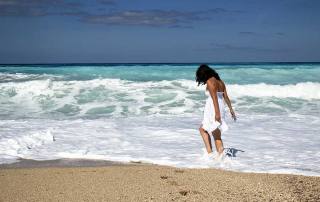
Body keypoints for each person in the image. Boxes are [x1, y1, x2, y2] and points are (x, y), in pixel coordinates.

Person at [196, 64, 236, 160]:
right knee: (212, 132)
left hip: (214, 109)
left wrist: (217, 114)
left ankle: (213, 156)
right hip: (219, 108)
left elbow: (214, 98)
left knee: (208, 132)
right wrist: (231, 109)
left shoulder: (210, 81)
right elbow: (225, 97)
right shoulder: (220, 82)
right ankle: (218, 157)